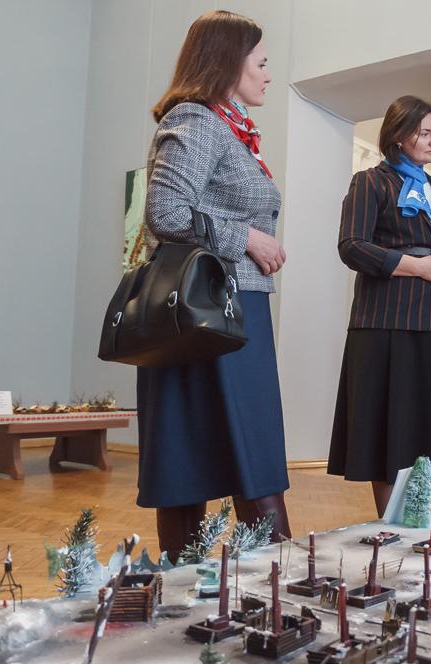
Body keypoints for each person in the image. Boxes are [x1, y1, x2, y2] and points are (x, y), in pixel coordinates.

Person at [139, 10, 291, 562]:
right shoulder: (197, 120)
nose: (268, 74)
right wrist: (247, 237)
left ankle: (267, 580)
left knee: (243, 451)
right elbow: (165, 211)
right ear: (229, 63)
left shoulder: (228, 128)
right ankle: (274, 577)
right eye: (262, 62)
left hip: (233, 308)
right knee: (194, 458)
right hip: (205, 311)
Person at [329, 96, 431, 517]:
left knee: (426, 423)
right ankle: (393, 524)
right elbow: (351, 246)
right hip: (387, 320)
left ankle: (420, 518)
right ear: (399, 135)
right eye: (424, 133)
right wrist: (417, 266)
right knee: (391, 427)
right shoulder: (370, 182)